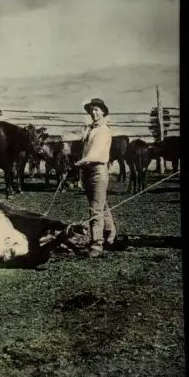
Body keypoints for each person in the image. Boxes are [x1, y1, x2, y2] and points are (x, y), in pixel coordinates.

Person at [75, 98, 116, 257]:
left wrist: (78, 164)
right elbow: (85, 151)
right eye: (91, 110)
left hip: (98, 170)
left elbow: (94, 154)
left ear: (103, 112)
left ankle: (96, 245)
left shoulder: (103, 130)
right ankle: (110, 235)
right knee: (101, 204)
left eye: (97, 110)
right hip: (88, 170)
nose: (94, 113)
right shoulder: (91, 130)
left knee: (95, 208)